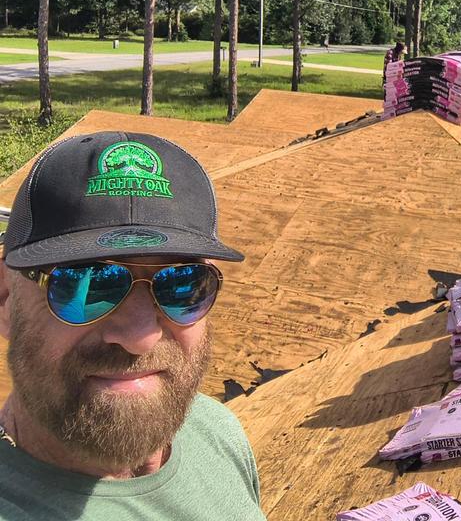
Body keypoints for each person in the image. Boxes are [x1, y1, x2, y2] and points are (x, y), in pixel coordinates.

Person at [0, 132, 267, 520]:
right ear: (5, 298)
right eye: (87, 283)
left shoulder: (217, 432)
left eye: (183, 284)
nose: (141, 337)